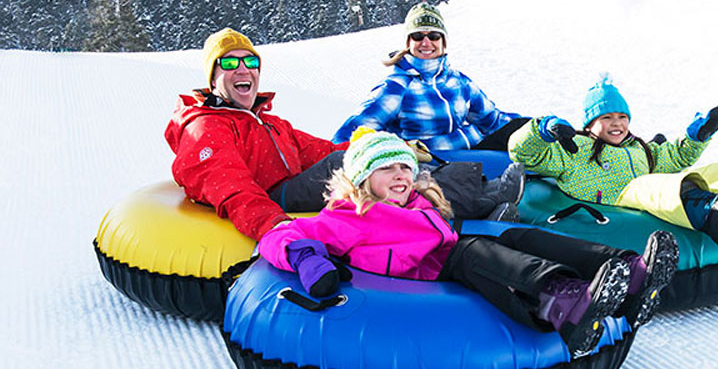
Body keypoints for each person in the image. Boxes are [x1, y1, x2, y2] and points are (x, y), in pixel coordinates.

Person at [258, 130, 680, 355]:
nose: (400, 177)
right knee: (475, 252)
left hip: (444, 253)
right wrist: (311, 263)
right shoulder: (347, 216)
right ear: (360, 179)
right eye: (386, 170)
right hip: (425, 271)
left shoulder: (420, 200)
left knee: (520, 236)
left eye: (404, 168)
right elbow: (281, 235)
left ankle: (630, 273)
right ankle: (565, 302)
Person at [164, 28, 525, 242]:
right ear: (213, 75)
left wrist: (382, 146)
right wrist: (276, 229)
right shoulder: (206, 127)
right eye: (229, 63)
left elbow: (317, 149)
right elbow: (231, 187)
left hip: (295, 184)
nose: (242, 69)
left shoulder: (266, 122)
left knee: (374, 158)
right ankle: (480, 201)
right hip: (278, 197)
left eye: (250, 61)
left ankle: (477, 212)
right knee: (354, 167)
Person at [507, 75, 718, 247]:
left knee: (714, 171)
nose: (616, 124)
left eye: (622, 117)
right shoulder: (574, 149)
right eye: (606, 117)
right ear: (590, 124)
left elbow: (675, 157)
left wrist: (698, 136)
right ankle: (714, 217)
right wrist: (541, 130)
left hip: (644, 184)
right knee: (656, 187)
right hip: (620, 196)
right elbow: (523, 153)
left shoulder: (640, 148)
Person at [333, 2, 528, 152]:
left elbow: (493, 121)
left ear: (443, 41)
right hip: (427, 171)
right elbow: (350, 135)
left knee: (524, 136)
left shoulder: (458, 82)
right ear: (408, 43)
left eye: (434, 36)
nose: (426, 42)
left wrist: (532, 126)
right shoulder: (397, 87)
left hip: (470, 159)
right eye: (418, 36)